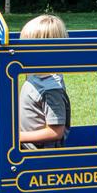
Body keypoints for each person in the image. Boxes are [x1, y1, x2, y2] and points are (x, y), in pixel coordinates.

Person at [16, 14, 70, 149]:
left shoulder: (51, 88)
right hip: (23, 151)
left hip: (38, 160)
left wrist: (15, 137)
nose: (21, 51)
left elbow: (56, 132)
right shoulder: (34, 76)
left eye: (26, 47)